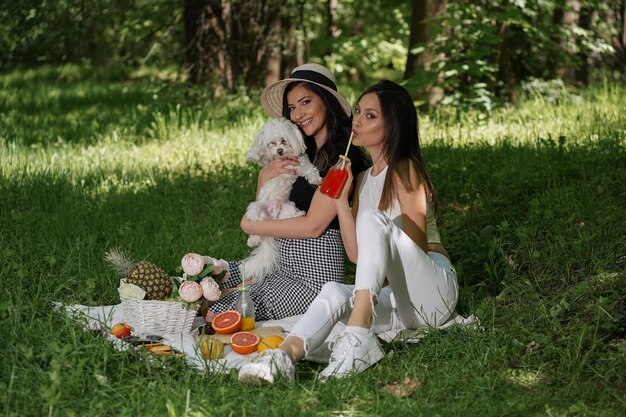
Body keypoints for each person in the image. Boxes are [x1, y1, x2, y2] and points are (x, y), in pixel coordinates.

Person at [238, 80, 459, 384]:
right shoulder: (364, 179)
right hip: (398, 302)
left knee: (370, 220)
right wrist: (342, 201)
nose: (357, 121)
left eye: (370, 116)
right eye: (357, 112)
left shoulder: (406, 169)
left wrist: (373, 234)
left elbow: (415, 248)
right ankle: (282, 358)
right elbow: (356, 256)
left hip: (432, 294)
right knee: (332, 290)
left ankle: (357, 337)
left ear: (393, 125)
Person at [204, 63, 370, 322]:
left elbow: (313, 226)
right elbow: (268, 199)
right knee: (209, 277)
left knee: (222, 310)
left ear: (327, 102)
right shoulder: (301, 151)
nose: (298, 114)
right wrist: (264, 176)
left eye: (306, 102)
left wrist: (251, 225)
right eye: (292, 107)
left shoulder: (342, 158)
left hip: (312, 275)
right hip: (279, 260)